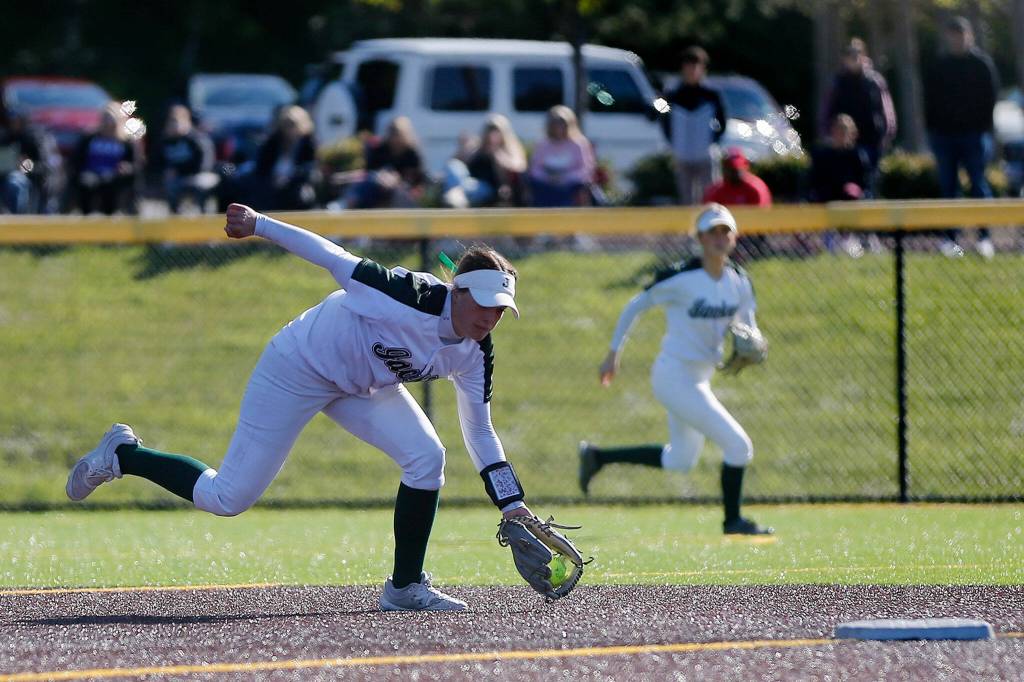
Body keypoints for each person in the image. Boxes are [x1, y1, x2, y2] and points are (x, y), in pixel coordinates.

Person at [66, 203, 534, 611]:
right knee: (227, 498)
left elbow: (479, 432)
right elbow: (332, 256)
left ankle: (404, 586)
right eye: (486, 304)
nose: (491, 317)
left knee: (427, 459)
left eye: (501, 309)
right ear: (460, 290)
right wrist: (259, 224)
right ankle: (122, 454)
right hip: (298, 366)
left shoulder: (476, 349)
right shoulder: (404, 294)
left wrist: (512, 505)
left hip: (361, 386)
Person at [579, 203, 772, 536]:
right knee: (739, 446)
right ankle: (734, 521)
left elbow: (748, 326)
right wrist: (613, 354)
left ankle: (597, 457)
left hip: (699, 377)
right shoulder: (682, 277)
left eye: (725, 230)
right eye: (712, 231)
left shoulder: (739, 281)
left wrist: (755, 343)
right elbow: (635, 305)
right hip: (674, 377)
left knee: (680, 461)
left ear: (735, 237)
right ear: (698, 238)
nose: (719, 237)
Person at [924, 16, 1000, 259]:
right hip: (944, 137)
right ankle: (951, 241)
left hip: (973, 136)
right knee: (949, 188)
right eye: (953, 35)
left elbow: (990, 99)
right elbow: (930, 102)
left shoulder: (981, 65)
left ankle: (984, 238)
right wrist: (934, 130)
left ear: (969, 36)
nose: (957, 40)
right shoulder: (939, 66)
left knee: (978, 185)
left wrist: (982, 128)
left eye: (961, 35)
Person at [821, 38, 897, 189]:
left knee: (869, 180)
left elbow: (887, 110)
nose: (854, 58)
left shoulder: (875, 82)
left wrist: (888, 134)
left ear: (864, 56)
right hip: (844, 142)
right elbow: (826, 110)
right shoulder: (837, 82)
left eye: (857, 54)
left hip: (871, 139)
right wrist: (826, 134)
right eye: (850, 54)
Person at [661, 47, 727, 205]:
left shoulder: (711, 94)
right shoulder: (673, 95)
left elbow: (722, 122)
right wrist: (674, 144)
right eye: (688, 66)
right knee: (686, 200)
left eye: (696, 66)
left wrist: (712, 141)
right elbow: (664, 121)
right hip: (682, 155)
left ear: (703, 68)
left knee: (710, 196)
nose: (692, 70)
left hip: (705, 155)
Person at [810, 115, 872, 257]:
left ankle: (848, 239)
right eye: (838, 131)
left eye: (844, 131)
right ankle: (828, 240)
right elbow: (815, 181)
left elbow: (864, 183)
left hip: (848, 197)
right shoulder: (824, 155)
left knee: (850, 194)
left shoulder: (857, 155)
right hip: (827, 196)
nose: (841, 135)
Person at [443, 114, 527, 208]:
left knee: (465, 188)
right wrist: (464, 149)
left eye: (496, 130)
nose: (492, 133)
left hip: (490, 186)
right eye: (489, 129)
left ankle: (456, 194)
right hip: (471, 181)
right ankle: (457, 194)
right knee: (453, 165)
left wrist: (497, 154)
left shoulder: (509, 149)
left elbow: (520, 166)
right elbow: (458, 162)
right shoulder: (480, 148)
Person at [703, 148, 772, 260]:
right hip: (725, 231)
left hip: (749, 232)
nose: (734, 172)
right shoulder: (717, 189)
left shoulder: (755, 187)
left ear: (745, 167)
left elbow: (760, 218)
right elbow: (707, 215)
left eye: (737, 169)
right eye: (730, 169)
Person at [344, 116, 426, 209]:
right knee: (361, 188)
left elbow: (417, 181)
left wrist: (397, 181)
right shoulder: (379, 149)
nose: (395, 137)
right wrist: (382, 177)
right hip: (376, 186)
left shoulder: (412, 154)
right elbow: (368, 172)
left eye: (398, 134)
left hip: (401, 190)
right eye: (392, 133)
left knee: (401, 194)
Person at [73, 102, 138, 215]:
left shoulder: (126, 142)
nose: (108, 123)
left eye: (111, 120)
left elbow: (135, 164)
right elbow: (76, 160)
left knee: (111, 187)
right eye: (106, 119)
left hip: (114, 177)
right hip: (91, 175)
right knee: (86, 185)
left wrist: (126, 169)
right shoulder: (89, 139)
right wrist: (84, 172)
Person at [527, 105, 595, 207]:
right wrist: (549, 178)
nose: (558, 128)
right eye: (555, 124)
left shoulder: (579, 144)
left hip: (571, 186)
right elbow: (535, 169)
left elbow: (586, 169)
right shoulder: (542, 144)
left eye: (562, 124)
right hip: (546, 186)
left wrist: (564, 178)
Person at [155, 104, 218, 214]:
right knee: (171, 187)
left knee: (199, 185)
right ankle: (175, 216)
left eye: (176, 121)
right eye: (170, 122)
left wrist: (180, 171)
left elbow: (205, 163)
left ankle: (204, 215)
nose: (173, 125)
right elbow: (159, 162)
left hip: (199, 175)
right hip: (178, 179)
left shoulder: (197, 139)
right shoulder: (165, 142)